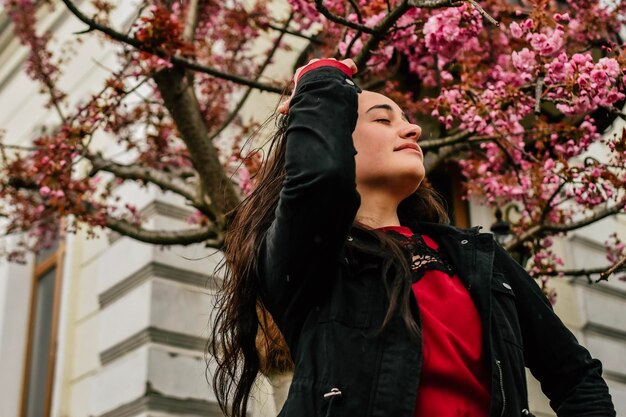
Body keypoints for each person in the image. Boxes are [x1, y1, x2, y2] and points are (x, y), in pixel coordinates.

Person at [210, 58, 616, 417]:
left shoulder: (478, 257)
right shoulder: (306, 260)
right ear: (336, 139)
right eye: (384, 120)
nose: (413, 128)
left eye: (406, 119)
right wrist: (320, 79)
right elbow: (320, 179)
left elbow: (577, 377)